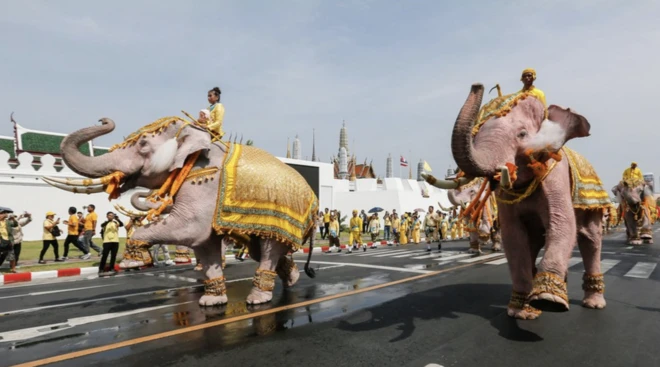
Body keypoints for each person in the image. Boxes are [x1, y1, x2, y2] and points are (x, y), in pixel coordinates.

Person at [0, 208, 17, 273]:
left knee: (11, 255)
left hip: (8, 241)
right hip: (1, 240)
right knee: (2, 256)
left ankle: (13, 269)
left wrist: (13, 219)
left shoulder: (8, 222)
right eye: (2, 213)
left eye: (4, 213)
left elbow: (15, 225)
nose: (4, 214)